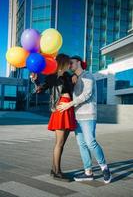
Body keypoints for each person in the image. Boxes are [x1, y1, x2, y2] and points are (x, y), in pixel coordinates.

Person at [57, 55, 112, 184]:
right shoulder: (73, 78)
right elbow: (60, 86)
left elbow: (86, 95)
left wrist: (69, 105)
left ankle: (104, 167)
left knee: (90, 142)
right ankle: (88, 172)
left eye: (71, 63)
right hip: (77, 116)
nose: (69, 65)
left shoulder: (88, 76)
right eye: (68, 64)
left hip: (88, 115)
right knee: (82, 144)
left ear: (79, 63)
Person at [32, 54, 77, 181]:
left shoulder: (68, 76)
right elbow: (40, 89)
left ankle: (54, 169)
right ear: (63, 62)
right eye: (68, 62)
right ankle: (57, 171)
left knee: (61, 144)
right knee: (59, 143)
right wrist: (35, 80)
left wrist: (75, 75)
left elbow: (72, 88)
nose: (69, 64)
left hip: (68, 109)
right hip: (60, 109)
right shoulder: (52, 76)